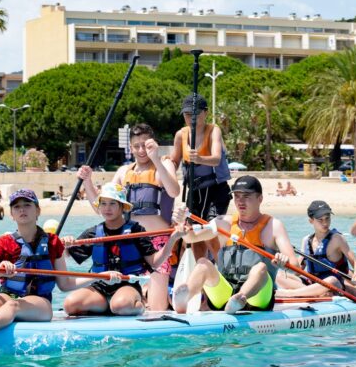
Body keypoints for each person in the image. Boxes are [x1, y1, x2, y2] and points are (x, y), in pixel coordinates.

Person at [0, 189, 81, 341]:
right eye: (16, 207)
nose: (22, 209)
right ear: (12, 215)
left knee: (14, 305)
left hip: (40, 302)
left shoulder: (53, 242)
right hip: (7, 294)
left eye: (27, 205)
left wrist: (98, 278)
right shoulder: (4, 242)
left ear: (38, 211)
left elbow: (65, 284)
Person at [78, 123, 181, 310]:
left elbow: (174, 191)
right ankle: (135, 298)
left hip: (158, 243)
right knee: (127, 296)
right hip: (131, 242)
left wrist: (155, 159)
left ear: (154, 143)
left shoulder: (164, 164)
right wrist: (87, 182)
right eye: (136, 146)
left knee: (157, 308)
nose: (141, 150)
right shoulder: (124, 172)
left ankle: (153, 296)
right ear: (130, 147)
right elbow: (100, 206)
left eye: (146, 145)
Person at [173, 175, 299, 314]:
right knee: (203, 263)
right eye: (237, 196)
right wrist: (182, 223)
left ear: (260, 199)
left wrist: (284, 262)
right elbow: (192, 238)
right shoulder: (223, 223)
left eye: (246, 196)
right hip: (225, 295)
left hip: (258, 299)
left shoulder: (274, 226)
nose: (240, 201)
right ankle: (185, 297)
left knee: (261, 268)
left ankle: (241, 298)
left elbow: (295, 266)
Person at [62, 182, 183, 316]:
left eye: (113, 203)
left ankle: (139, 303)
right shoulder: (93, 233)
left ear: (123, 207)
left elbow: (155, 263)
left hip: (127, 285)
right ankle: (108, 307)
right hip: (100, 287)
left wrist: (173, 238)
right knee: (70, 305)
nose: (107, 208)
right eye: (103, 203)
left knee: (121, 304)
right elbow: (66, 254)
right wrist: (65, 244)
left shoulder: (136, 230)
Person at [276, 200, 356, 298]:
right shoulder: (306, 241)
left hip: (334, 285)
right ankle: (314, 294)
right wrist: (285, 264)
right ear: (311, 221)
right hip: (312, 283)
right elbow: (297, 272)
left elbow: (355, 263)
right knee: (280, 276)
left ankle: (293, 294)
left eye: (327, 218)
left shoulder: (337, 239)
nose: (325, 223)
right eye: (320, 220)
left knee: (331, 280)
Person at [170, 95, 231, 223]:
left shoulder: (214, 130)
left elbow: (216, 159)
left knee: (212, 225)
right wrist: (166, 164)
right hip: (194, 192)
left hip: (216, 190)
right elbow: (174, 162)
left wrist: (199, 159)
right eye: (187, 114)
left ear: (206, 112)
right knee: (192, 228)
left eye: (196, 113)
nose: (192, 118)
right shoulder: (180, 135)